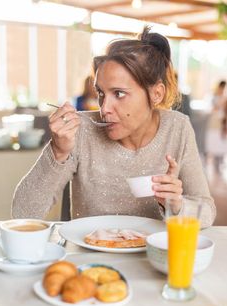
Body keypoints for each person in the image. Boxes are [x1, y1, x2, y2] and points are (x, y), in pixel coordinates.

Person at [12, 27, 216, 228]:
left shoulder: (177, 127)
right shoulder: (80, 132)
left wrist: (177, 205)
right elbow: (22, 213)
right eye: (100, 93)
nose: (104, 108)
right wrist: (58, 152)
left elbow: (207, 212)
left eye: (118, 93)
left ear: (156, 94)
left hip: (153, 258)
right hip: (90, 258)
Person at [206, 80, 227, 173]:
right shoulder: (214, 97)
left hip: (221, 124)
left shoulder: (224, 98)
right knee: (214, 142)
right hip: (214, 124)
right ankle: (215, 163)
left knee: (221, 143)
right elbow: (212, 109)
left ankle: (220, 162)